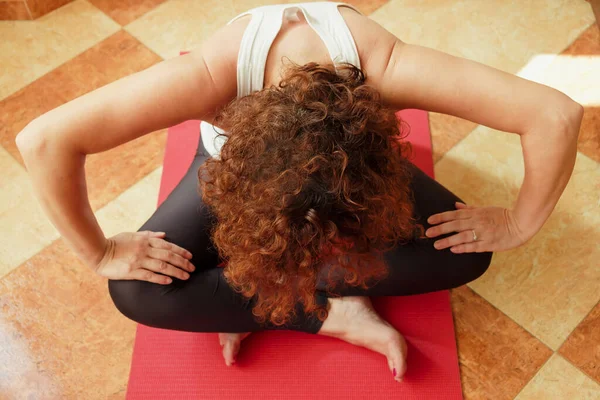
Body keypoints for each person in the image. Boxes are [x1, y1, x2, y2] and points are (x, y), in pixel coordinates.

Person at [16, 2, 583, 383]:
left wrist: (518, 223)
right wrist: (100, 252)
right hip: (238, 165)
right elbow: (43, 139)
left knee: (470, 253)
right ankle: (327, 313)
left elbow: (554, 114)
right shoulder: (210, 82)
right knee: (136, 293)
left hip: (351, 164)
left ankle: (262, 290)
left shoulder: (384, 68)